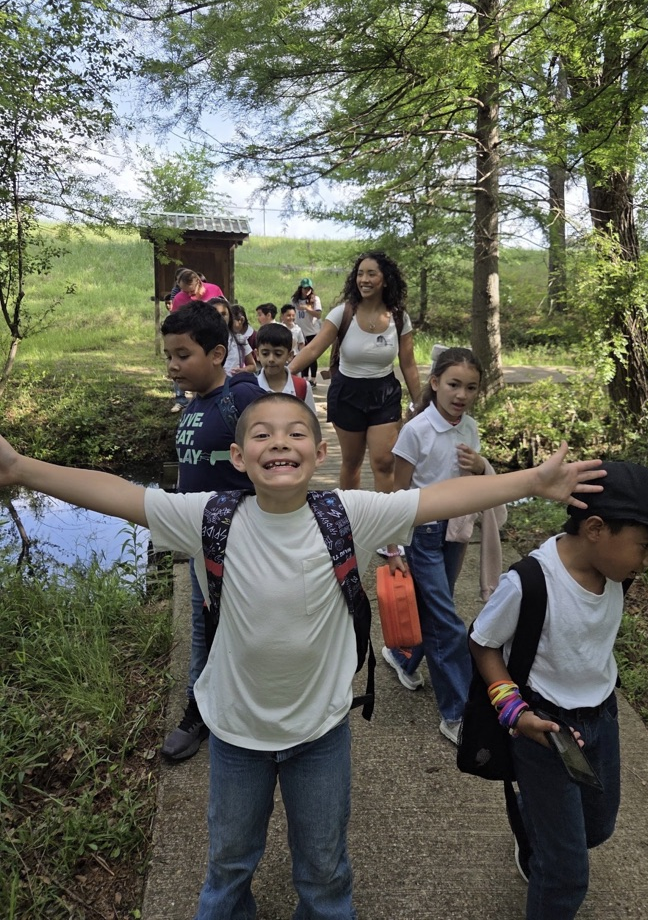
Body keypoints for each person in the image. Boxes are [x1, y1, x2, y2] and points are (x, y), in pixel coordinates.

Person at [0, 395, 607, 920]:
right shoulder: (208, 517)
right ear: (239, 459)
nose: (278, 443)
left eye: (295, 434)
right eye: (260, 435)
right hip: (235, 732)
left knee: (323, 868)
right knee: (229, 864)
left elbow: (439, 498)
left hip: (320, 731)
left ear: (319, 453)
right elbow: (120, 495)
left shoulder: (348, 515)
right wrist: (21, 467)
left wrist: (531, 480)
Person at [469, 461, 648, 920]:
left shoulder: (617, 573)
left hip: (602, 718)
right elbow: (482, 641)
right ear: (596, 528)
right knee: (565, 875)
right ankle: (543, 838)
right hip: (546, 730)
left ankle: (534, 820)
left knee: (596, 827)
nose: (647, 561)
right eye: (645, 547)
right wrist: (512, 709)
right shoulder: (530, 583)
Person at [160, 301, 264, 761]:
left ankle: (211, 712)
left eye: (183, 355)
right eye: (168, 356)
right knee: (205, 627)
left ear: (218, 354)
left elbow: (272, 465)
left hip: (238, 545)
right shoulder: (194, 405)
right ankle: (203, 710)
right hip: (199, 544)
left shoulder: (239, 402)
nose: (173, 366)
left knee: (232, 629)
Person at [381, 347, 496, 745]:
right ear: (434, 384)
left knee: (436, 607)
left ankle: (402, 655)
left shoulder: (470, 427)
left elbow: (478, 478)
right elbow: (398, 492)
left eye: (470, 387)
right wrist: (393, 548)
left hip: (458, 531)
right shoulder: (416, 431)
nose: (461, 394)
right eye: (453, 384)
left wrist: (480, 466)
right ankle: (458, 713)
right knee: (447, 623)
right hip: (422, 534)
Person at [288, 251, 421, 492]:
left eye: (372, 274)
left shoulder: (399, 318)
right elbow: (314, 348)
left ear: (386, 279)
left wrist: (420, 401)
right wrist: (284, 374)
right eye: (360, 274)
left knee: (384, 461)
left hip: (385, 394)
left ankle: (385, 518)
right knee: (352, 462)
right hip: (347, 393)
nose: (364, 279)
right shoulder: (343, 313)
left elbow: (409, 363)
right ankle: (351, 515)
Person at [255, 322, 316, 413]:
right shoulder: (251, 386)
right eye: (265, 353)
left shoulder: (302, 387)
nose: (271, 359)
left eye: (278, 354)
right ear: (257, 354)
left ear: (290, 355)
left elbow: (310, 423)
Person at [207, 297, 256, 374]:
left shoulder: (239, 339)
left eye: (223, 314)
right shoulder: (201, 340)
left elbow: (252, 366)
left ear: (229, 316)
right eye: (215, 314)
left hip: (234, 383)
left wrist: (243, 370)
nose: (220, 318)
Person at [291, 277, 323, 387]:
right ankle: (304, 378)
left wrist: (307, 308)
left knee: (312, 355)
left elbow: (318, 314)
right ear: (300, 288)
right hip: (300, 331)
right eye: (304, 288)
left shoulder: (315, 300)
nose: (306, 291)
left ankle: (313, 379)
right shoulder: (295, 300)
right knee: (302, 354)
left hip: (313, 331)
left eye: (309, 288)